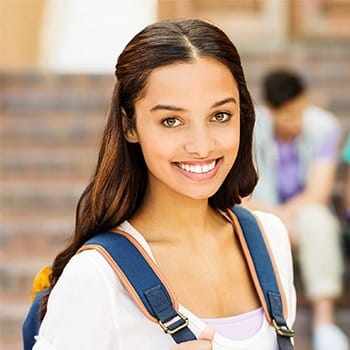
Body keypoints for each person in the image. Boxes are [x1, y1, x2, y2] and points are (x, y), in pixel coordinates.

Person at [32, 19, 296, 350]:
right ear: (131, 126)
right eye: (171, 121)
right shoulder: (96, 276)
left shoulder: (269, 241)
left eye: (220, 116)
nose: (201, 145)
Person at [243, 69, 349, 350]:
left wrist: (286, 218)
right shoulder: (250, 129)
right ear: (270, 110)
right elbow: (241, 196)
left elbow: (319, 192)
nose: (298, 121)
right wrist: (278, 220)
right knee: (248, 221)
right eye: (289, 114)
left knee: (318, 221)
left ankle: (324, 323)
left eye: (301, 110)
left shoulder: (324, 126)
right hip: (263, 210)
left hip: (304, 215)